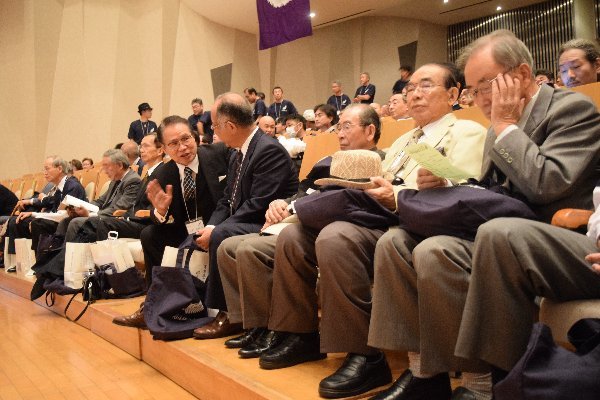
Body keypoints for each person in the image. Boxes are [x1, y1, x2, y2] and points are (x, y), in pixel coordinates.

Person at [369, 30, 600, 400]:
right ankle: (430, 374)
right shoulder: (498, 128)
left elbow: (548, 184)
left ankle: (498, 385)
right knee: (409, 244)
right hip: (506, 235)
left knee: (498, 232)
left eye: (487, 85)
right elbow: (496, 194)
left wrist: (506, 127)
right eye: (474, 91)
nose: (480, 99)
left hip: (565, 239)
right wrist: (450, 184)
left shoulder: (571, 110)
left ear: (522, 74)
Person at [263, 63, 487, 399]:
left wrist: (406, 190)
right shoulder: (404, 140)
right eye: (410, 88)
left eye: (426, 86)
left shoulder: (467, 131)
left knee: (336, 237)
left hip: (418, 224)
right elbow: (381, 182)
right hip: (383, 218)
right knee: (294, 236)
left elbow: (464, 190)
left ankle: (366, 355)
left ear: (453, 93)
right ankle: (302, 335)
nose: (414, 93)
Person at [216, 103, 386, 363]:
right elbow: (302, 191)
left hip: (333, 228)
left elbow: (349, 204)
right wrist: (281, 203)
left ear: (370, 131)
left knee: (254, 247)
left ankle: (289, 332)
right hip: (301, 223)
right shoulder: (327, 160)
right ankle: (264, 327)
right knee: (231, 246)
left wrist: (294, 208)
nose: (340, 133)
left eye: (346, 127)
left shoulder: (379, 163)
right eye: (339, 127)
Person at [190, 92, 298, 340]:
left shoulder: (268, 150)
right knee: (203, 233)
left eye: (215, 125)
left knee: (222, 234)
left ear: (230, 126)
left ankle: (228, 314)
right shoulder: (237, 152)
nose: (213, 130)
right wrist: (211, 226)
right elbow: (226, 199)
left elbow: (257, 205)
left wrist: (217, 230)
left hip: (271, 222)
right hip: (250, 218)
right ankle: (190, 303)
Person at [112, 116, 230, 328]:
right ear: (164, 149)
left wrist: (214, 227)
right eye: (173, 143)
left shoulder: (220, 154)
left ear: (195, 137)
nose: (182, 147)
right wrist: (160, 211)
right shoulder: (162, 174)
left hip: (220, 226)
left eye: (186, 139)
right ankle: (153, 304)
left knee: (220, 235)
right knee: (150, 235)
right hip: (186, 233)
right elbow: (159, 218)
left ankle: (220, 310)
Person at [78, 134, 166, 242]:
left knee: (103, 222)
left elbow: (149, 208)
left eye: (146, 146)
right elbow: (136, 205)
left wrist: (127, 217)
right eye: (141, 146)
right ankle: (72, 251)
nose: (141, 150)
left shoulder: (163, 173)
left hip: (146, 224)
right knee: (89, 224)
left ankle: (98, 253)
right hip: (135, 220)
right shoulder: (149, 174)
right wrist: (125, 216)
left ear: (160, 150)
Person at [7, 156, 86, 254]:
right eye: (44, 169)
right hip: (59, 219)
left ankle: (40, 259)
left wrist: (34, 214)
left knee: (37, 223)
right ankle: (21, 258)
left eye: (47, 169)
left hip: (68, 224)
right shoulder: (60, 187)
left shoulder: (72, 186)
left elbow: (64, 215)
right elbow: (54, 209)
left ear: (59, 169)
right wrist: (33, 214)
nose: (44, 172)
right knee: (19, 221)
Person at [59, 149, 141, 242]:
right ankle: (58, 250)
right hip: (104, 217)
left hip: (115, 220)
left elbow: (119, 208)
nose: (104, 171)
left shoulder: (133, 181)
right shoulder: (115, 180)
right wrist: (83, 207)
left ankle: (69, 251)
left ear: (120, 165)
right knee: (65, 221)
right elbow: (100, 201)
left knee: (76, 222)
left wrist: (89, 214)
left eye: (107, 166)